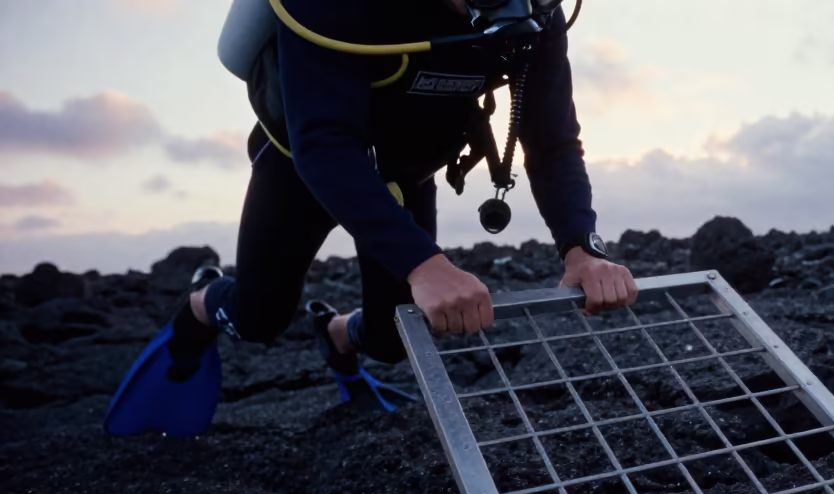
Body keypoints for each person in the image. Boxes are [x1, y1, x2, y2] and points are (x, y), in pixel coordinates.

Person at [103, 0, 638, 436]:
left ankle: (336, 332)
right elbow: (325, 144)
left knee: (390, 341)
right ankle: (201, 300)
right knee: (257, 320)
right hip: (302, 165)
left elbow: (552, 141)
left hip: (405, 170)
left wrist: (582, 248)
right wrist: (424, 265)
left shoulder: (537, 13)